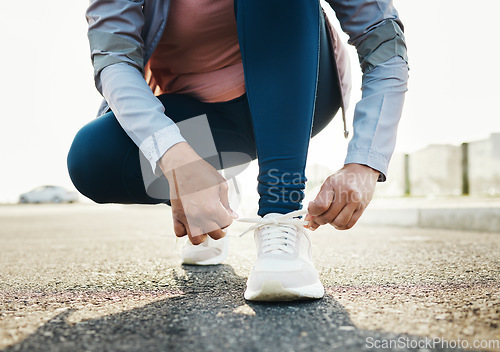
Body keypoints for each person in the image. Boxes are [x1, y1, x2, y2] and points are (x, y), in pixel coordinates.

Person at [68, 0, 408, 301]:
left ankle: (280, 216)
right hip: (198, 118)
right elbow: (113, 60)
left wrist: (365, 161)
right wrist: (174, 156)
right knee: (92, 159)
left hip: (304, 94)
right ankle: (214, 187)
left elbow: (383, 41)